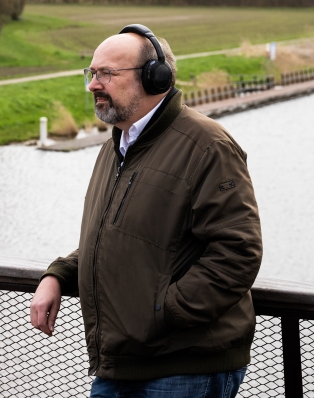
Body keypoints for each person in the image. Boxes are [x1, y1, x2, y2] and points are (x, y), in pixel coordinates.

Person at [30, 24, 263, 398]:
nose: (93, 84)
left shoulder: (208, 146)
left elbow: (237, 252)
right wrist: (58, 275)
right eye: (92, 73)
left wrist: (164, 312)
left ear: (156, 78)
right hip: (120, 366)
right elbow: (114, 237)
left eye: (106, 73)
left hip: (182, 367)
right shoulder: (115, 147)